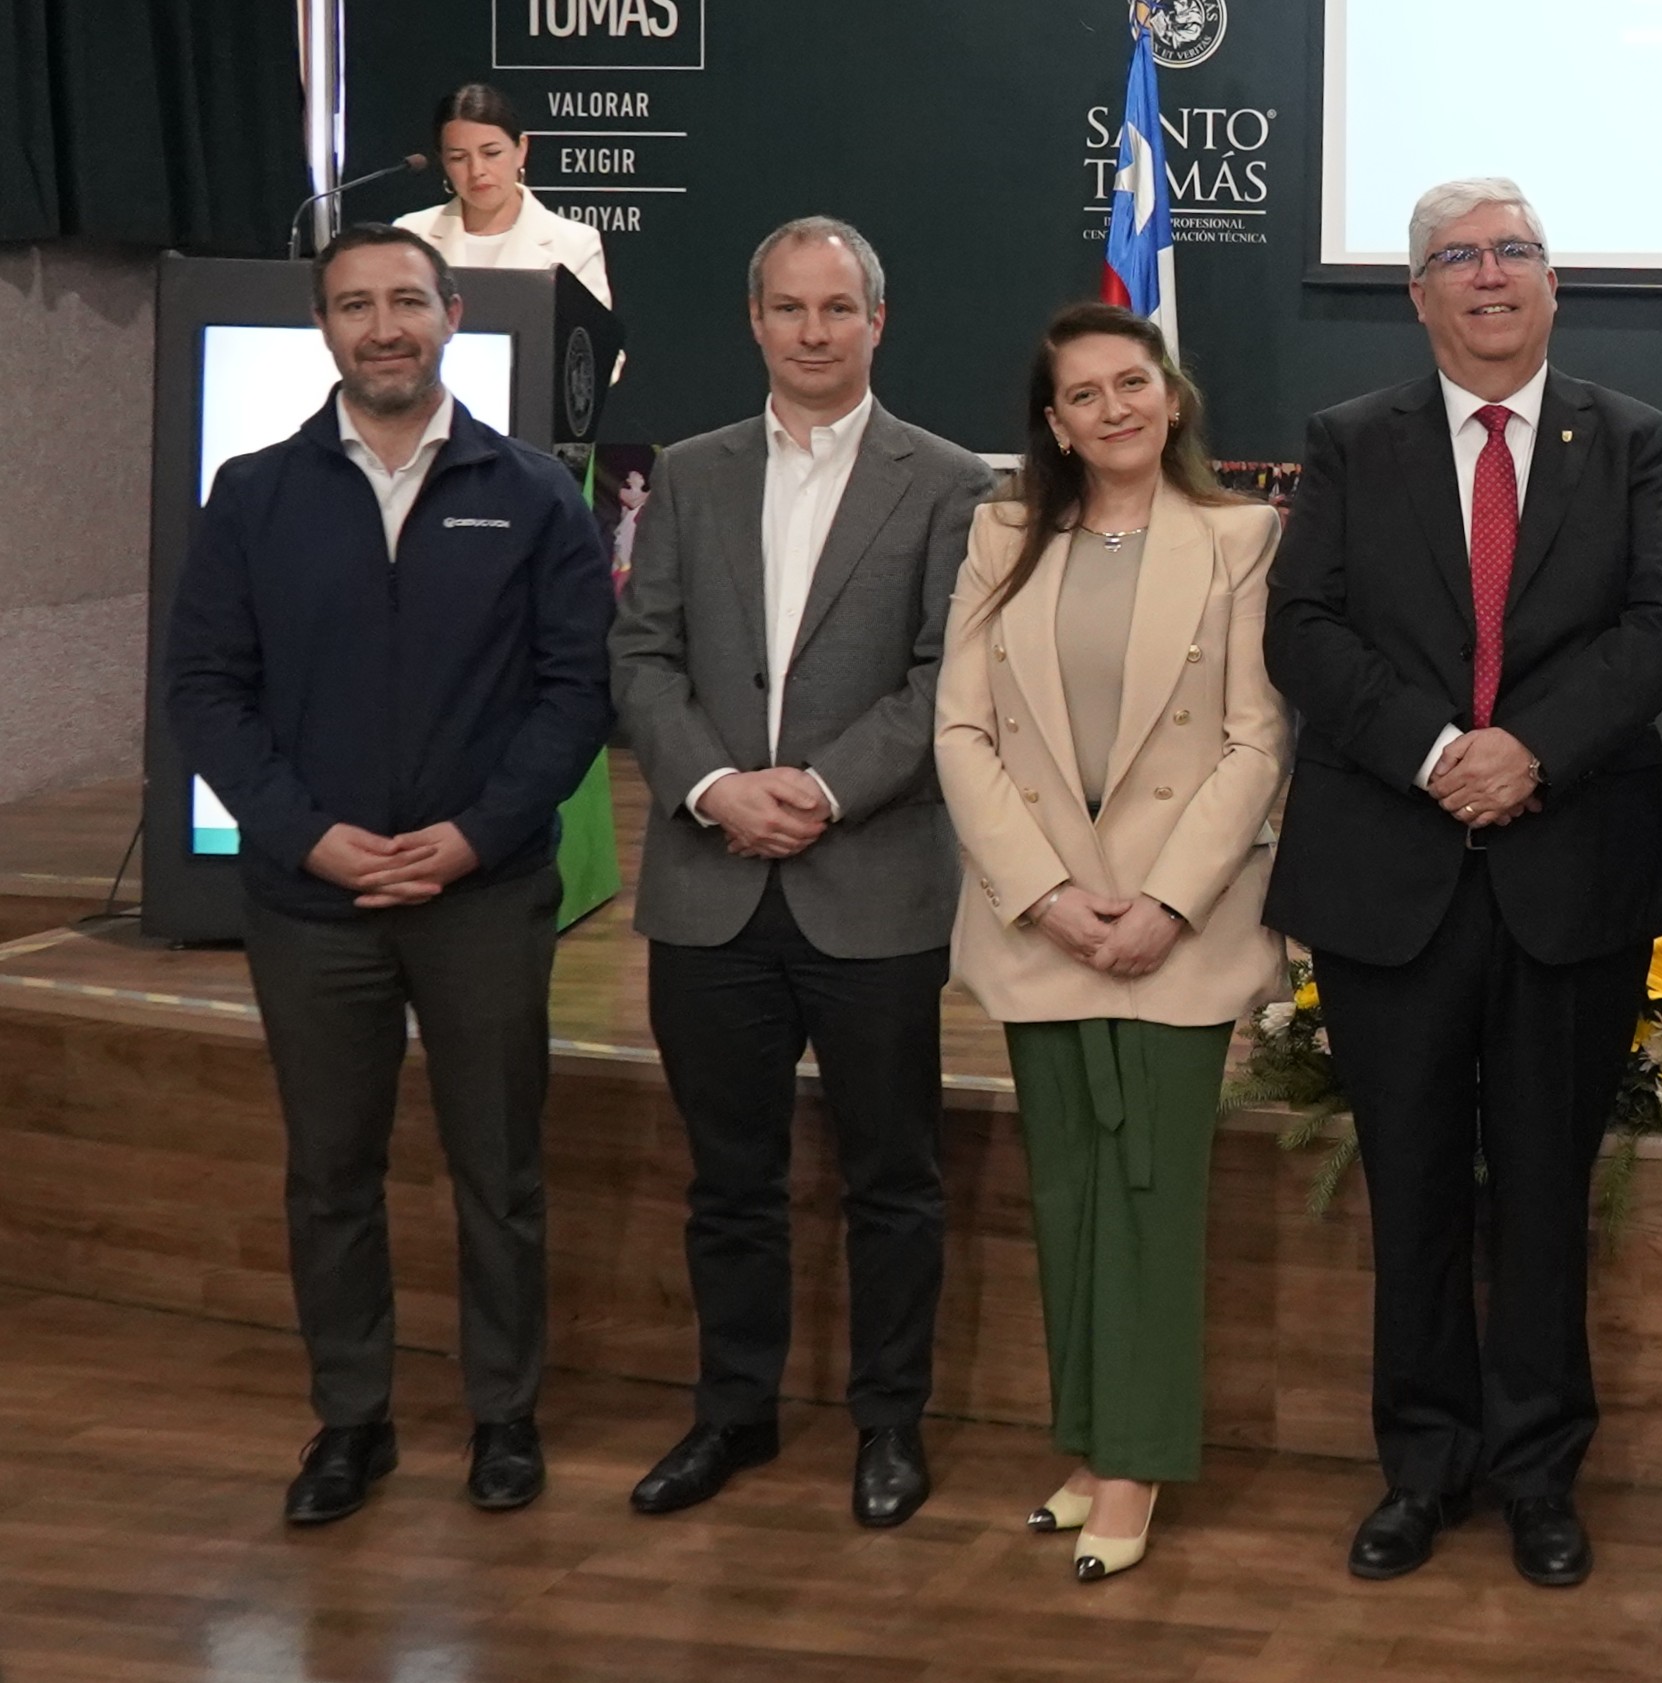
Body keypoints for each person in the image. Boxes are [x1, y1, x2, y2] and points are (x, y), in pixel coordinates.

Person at [1262, 177, 1662, 1588]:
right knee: (1412, 1189)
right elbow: (1305, 630)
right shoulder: (1348, 443)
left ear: (1552, 283)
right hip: (1392, 871)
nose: (1490, 274)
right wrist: (1441, 750)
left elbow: (1658, 625)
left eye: (1514, 250)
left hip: (1568, 867)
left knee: (1543, 1189)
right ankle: (1421, 1463)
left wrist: (1532, 752)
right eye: (1458, 256)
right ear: (1417, 293)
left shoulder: (1629, 440)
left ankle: (1535, 1472)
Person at [160, 224, 612, 1524]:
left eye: (405, 300)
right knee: (329, 1171)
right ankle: (350, 1418)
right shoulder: (254, 493)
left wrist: (476, 833)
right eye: (354, 305)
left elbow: (575, 689)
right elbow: (205, 687)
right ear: (326, 328)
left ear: (450, 312)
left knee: (499, 1166)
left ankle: (503, 1413)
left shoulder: (530, 491)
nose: (382, 326)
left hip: (482, 892)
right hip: (315, 903)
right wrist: (306, 832)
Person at [606, 217, 995, 1527]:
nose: (813, 332)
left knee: (894, 1176)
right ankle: (734, 1411)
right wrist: (717, 785)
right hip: (709, 883)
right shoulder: (692, 470)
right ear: (753, 320)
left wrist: (821, 789)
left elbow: (951, 676)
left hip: (871, 878)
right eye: (789, 308)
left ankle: (888, 1422)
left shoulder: (946, 481)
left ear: (878, 322)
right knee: (729, 1179)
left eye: (838, 309)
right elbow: (644, 655)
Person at [934, 302, 1289, 1581]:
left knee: (1150, 1200)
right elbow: (962, 731)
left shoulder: (1242, 539)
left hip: (1173, 934)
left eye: (1131, 384)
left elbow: (1257, 739)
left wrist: (1163, 905)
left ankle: (1136, 1462)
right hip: (1044, 929)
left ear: (1172, 396)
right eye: (1084, 395)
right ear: (1054, 425)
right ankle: (1088, 1443)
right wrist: (1045, 893)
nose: (1114, 409)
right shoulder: (1002, 538)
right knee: (1070, 1193)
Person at [396, 84, 611, 308]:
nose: (476, 170)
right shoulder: (411, 236)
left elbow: (592, 341)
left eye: (491, 153)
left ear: (521, 150)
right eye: (459, 158)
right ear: (443, 162)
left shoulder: (575, 244)